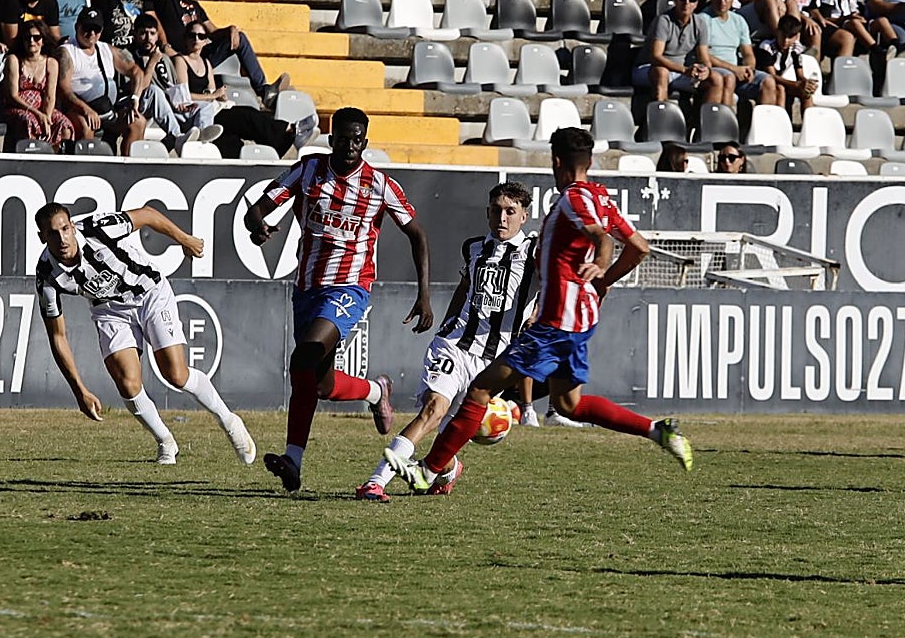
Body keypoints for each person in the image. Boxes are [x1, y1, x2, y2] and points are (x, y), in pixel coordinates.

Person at [383, 128, 692, 496]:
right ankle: (658, 430)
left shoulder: (573, 199)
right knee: (569, 404)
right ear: (590, 162)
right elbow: (639, 247)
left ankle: (429, 470)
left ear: (556, 162)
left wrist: (601, 266)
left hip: (555, 322)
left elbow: (603, 239)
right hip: (578, 324)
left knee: (481, 388)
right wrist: (604, 283)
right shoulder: (600, 196)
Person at [244, 107, 433, 494]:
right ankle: (377, 391)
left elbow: (417, 234)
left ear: (365, 141)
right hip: (307, 289)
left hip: (350, 288)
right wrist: (258, 227)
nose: (350, 145)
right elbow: (257, 209)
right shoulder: (308, 170)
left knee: (306, 356)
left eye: (357, 139)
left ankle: (293, 460)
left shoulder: (380, 185)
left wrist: (424, 295)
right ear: (331, 140)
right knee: (321, 384)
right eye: (343, 138)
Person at [34, 202, 256, 467]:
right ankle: (165, 441)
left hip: (149, 292)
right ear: (42, 237)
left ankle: (229, 421)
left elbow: (148, 214)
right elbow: (57, 336)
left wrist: (184, 239)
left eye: (65, 228)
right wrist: (79, 391)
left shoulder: (97, 229)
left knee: (176, 374)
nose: (62, 238)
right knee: (128, 384)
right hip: (109, 309)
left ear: (72, 226)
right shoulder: (47, 276)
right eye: (53, 233)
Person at [357, 182, 539, 502]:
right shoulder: (473, 247)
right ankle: (375, 483)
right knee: (432, 410)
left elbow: (555, 285)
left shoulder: (535, 253)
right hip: (454, 344)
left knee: (448, 437)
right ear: (487, 213)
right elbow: (464, 287)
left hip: (493, 362)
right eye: (496, 210)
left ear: (524, 216)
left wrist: (536, 315)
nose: (502, 217)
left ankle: (448, 467)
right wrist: (444, 324)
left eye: (511, 211)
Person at [151, 0, 289, 108]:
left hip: (200, 55)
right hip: (179, 56)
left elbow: (212, 31)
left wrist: (230, 30)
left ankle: (264, 92)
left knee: (239, 38)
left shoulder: (195, 5)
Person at [174, 23, 316, 157]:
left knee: (234, 140)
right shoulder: (181, 60)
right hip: (197, 113)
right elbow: (183, 96)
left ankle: (282, 144)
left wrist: (219, 96)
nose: (196, 40)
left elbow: (211, 92)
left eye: (201, 36)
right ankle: (289, 130)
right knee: (246, 116)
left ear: (206, 41)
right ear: (185, 39)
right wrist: (213, 95)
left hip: (211, 110)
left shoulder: (206, 64)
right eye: (192, 36)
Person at [59, 7, 147, 154]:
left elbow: (136, 72)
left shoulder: (106, 49)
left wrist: (135, 99)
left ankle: (128, 168)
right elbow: (64, 90)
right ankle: (86, 170)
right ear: (77, 27)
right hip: (80, 107)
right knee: (85, 125)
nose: (91, 34)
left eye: (96, 30)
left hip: (109, 108)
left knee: (138, 121)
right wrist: (86, 110)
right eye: (87, 28)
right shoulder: (67, 52)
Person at [128, 14, 219, 154]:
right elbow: (141, 89)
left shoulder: (164, 59)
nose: (148, 38)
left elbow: (173, 86)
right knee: (154, 90)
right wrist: (151, 63)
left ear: (158, 36)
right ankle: (177, 138)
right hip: (141, 104)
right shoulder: (129, 56)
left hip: (167, 106)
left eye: (152, 33)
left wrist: (182, 103)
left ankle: (200, 142)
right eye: (143, 33)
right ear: (135, 34)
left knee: (205, 107)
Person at [631, 0, 725, 105]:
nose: (686, 3)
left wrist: (705, 69)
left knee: (716, 79)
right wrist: (684, 70)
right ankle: (661, 118)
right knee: (662, 73)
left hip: (680, 71)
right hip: (649, 68)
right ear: (675, 0)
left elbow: (704, 56)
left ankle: (706, 120)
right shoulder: (664, 21)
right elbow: (656, 57)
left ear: (696, 4)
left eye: (691, 0)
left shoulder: (700, 23)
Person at [1, 20, 75, 151]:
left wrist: (46, 116)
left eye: (36, 37)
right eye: (27, 37)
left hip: (44, 108)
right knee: (29, 121)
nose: (31, 41)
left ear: (43, 40)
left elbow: (50, 97)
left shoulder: (51, 63)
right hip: (19, 107)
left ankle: (56, 158)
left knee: (64, 125)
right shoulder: (14, 60)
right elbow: (12, 96)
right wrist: (36, 113)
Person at [704, 0, 778, 106]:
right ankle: (724, 123)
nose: (722, 1)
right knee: (728, 77)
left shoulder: (739, 21)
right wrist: (734, 69)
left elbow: (748, 53)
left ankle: (763, 124)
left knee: (768, 81)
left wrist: (748, 68)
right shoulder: (702, 20)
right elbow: (703, 55)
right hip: (713, 71)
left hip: (736, 71)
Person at [757, 15, 816, 114]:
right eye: (783, 35)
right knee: (780, 89)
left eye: (790, 37)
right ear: (778, 32)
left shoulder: (796, 48)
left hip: (783, 81)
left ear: (797, 36)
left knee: (806, 93)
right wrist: (795, 84)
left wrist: (807, 83)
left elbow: (800, 74)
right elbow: (771, 75)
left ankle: (808, 124)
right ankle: (782, 123)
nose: (786, 41)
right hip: (765, 82)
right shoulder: (766, 47)